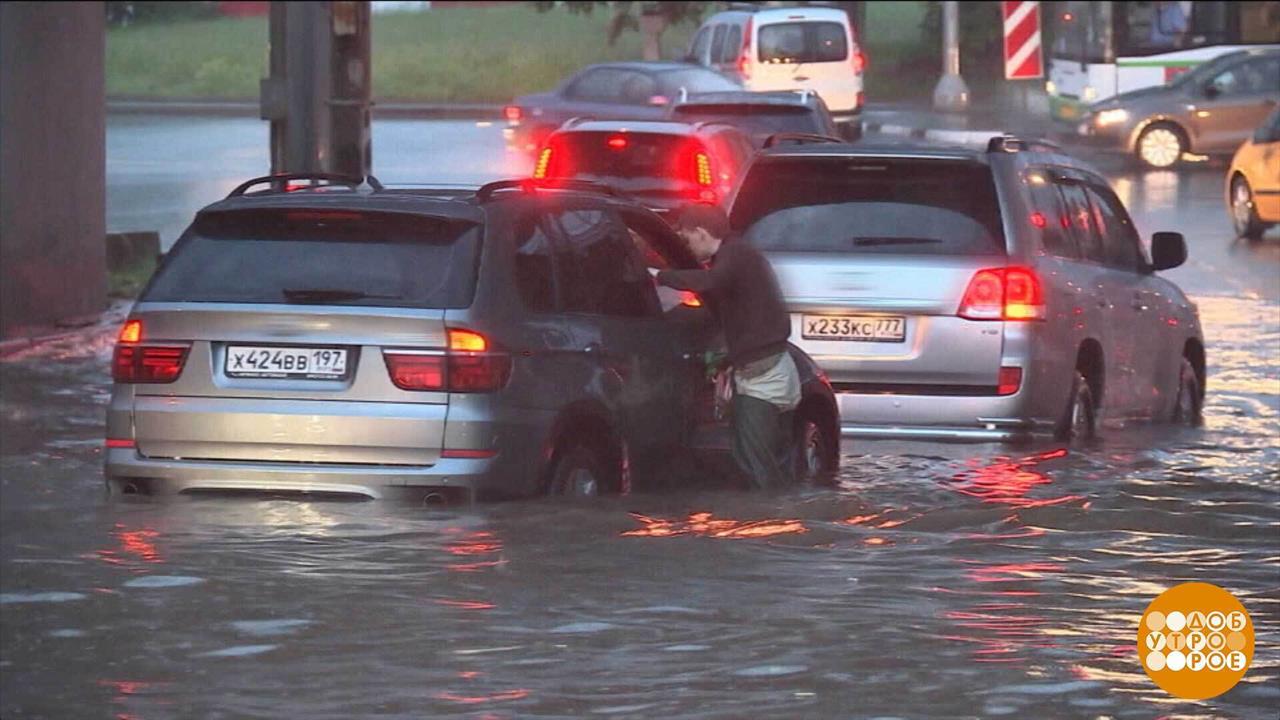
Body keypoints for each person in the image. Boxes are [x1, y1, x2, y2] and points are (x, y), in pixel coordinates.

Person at [656, 203, 800, 490]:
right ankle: (781, 518)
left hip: (763, 380)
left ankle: (767, 522)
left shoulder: (735, 254)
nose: (687, 247)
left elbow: (711, 282)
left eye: (686, 238)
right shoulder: (740, 256)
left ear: (700, 233)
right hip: (770, 372)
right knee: (767, 462)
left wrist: (660, 276)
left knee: (755, 465)